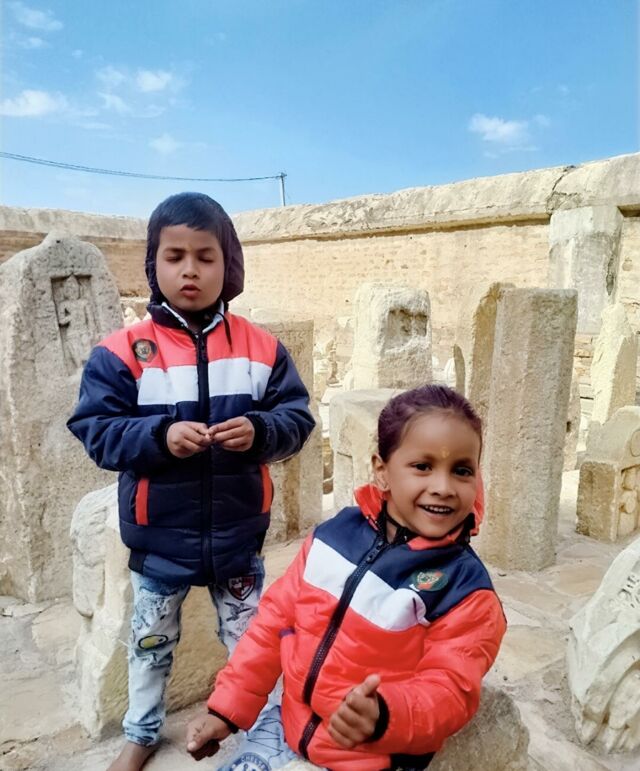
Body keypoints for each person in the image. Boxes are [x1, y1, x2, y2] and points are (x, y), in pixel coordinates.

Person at [67, 192, 315, 771]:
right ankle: (141, 731)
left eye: (206, 257)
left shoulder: (261, 349)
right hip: (160, 541)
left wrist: (259, 430)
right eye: (174, 256)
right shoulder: (123, 353)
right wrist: (160, 436)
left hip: (237, 538)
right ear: (152, 263)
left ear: (230, 265)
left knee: (253, 643)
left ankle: (266, 726)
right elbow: (96, 430)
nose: (190, 270)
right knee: (150, 643)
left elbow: (296, 420)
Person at [186, 384, 506, 771]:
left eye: (462, 470)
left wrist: (384, 714)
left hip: (371, 755)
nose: (443, 487)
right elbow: (274, 622)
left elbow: (451, 690)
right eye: (423, 466)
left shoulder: (465, 590)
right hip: (287, 725)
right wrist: (226, 710)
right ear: (382, 471)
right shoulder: (334, 536)